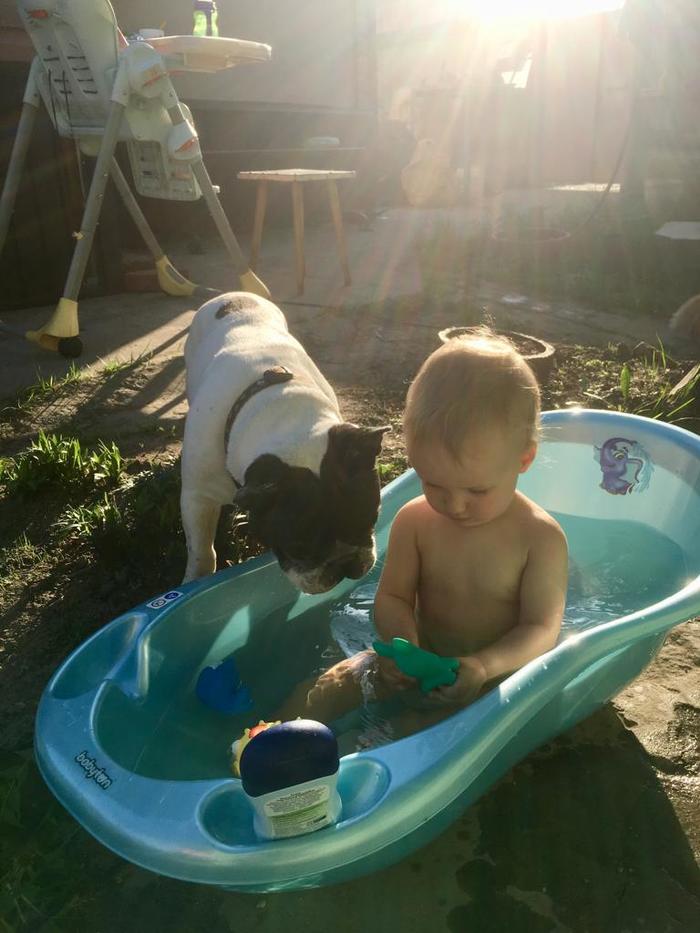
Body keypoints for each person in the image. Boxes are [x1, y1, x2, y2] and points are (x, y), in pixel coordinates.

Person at [276, 328, 568, 734]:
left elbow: (541, 630)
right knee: (320, 692)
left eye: (477, 489)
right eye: (433, 483)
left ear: (524, 459)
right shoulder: (415, 521)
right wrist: (403, 645)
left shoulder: (540, 540)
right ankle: (262, 744)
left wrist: (483, 666)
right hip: (419, 656)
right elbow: (393, 596)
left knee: (419, 730)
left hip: (495, 677)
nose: (455, 505)